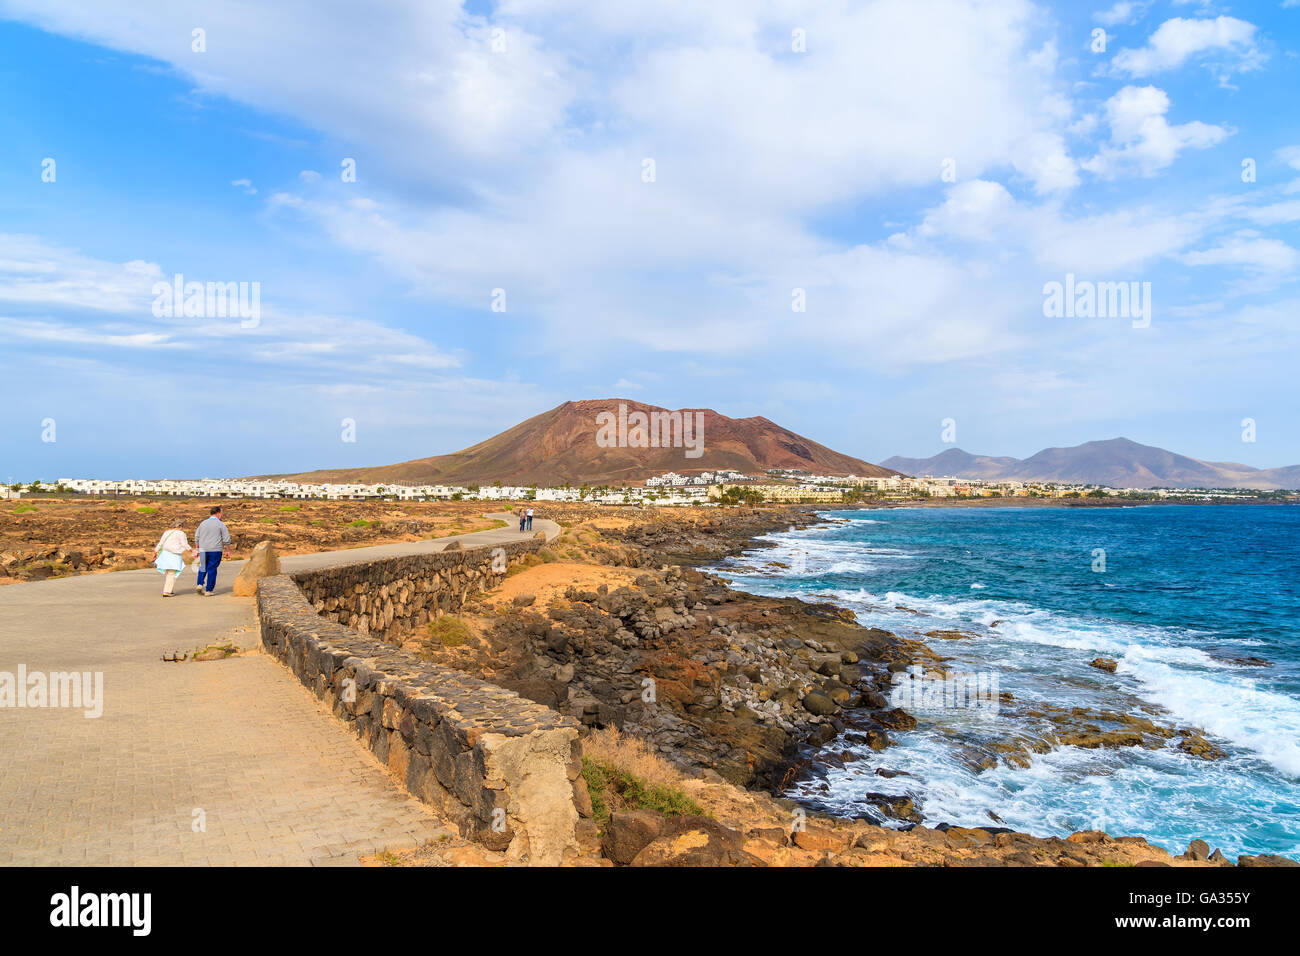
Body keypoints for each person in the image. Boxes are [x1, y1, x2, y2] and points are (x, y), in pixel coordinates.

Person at [194, 505, 231, 596]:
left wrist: (197, 548)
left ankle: (200, 583)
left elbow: (197, 537)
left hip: (203, 549)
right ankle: (208, 590)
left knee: (203, 567)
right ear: (218, 513)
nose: (221, 515)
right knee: (212, 569)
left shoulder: (203, 523)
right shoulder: (220, 524)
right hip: (215, 550)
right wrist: (228, 550)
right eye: (221, 513)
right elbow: (226, 539)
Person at [152, 521, 191, 597]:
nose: (182, 528)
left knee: (170, 572)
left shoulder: (166, 532)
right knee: (172, 573)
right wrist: (192, 550)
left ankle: (169, 589)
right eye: (182, 526)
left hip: (165, 554)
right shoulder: (181, 533)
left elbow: (161, 543)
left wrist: (155, 552)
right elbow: (184, 544)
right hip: (174, 555)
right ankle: (167, 591)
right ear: (179, 526)